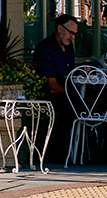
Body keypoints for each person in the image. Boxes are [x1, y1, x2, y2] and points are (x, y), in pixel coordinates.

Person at [32, 13, 78, 148]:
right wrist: (75, 95)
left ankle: (90, 149)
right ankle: (57, 149)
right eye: (70, 32)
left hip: (65, 90)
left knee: (96, 101)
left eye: (74, 33)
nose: (73, 37)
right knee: (71, 107)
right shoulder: (46, 48)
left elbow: (70, 73)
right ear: (60, 29)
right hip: (47, 94)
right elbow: (52, 87)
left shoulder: (68, 46)